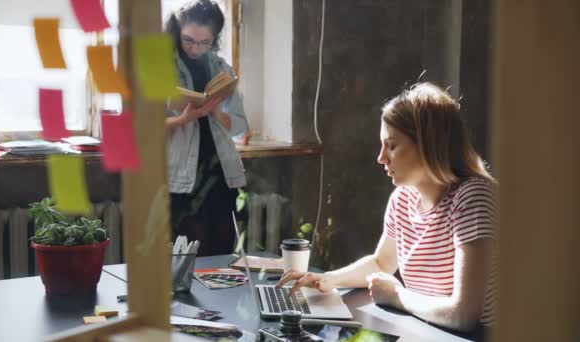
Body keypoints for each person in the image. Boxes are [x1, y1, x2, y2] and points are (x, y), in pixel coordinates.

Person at [277, 83, 497, 333]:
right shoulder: (402, 199)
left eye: (392, 145)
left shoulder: (472, 198)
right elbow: (382, 263)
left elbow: (464, 314)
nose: (381, 157)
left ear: (428, 144)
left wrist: (397, 296)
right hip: (427, 332)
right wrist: (328, 280)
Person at [164, 0, 248, 256]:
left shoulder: (222, 69)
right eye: (189, 40)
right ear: (178, 32)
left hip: (222, 174)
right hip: (182, 179)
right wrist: (184, 118)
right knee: (187, 259)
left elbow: (240, 127)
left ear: (215, 39)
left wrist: (215, 111)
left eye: (204, 42)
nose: (195, 48)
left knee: (223, 253)